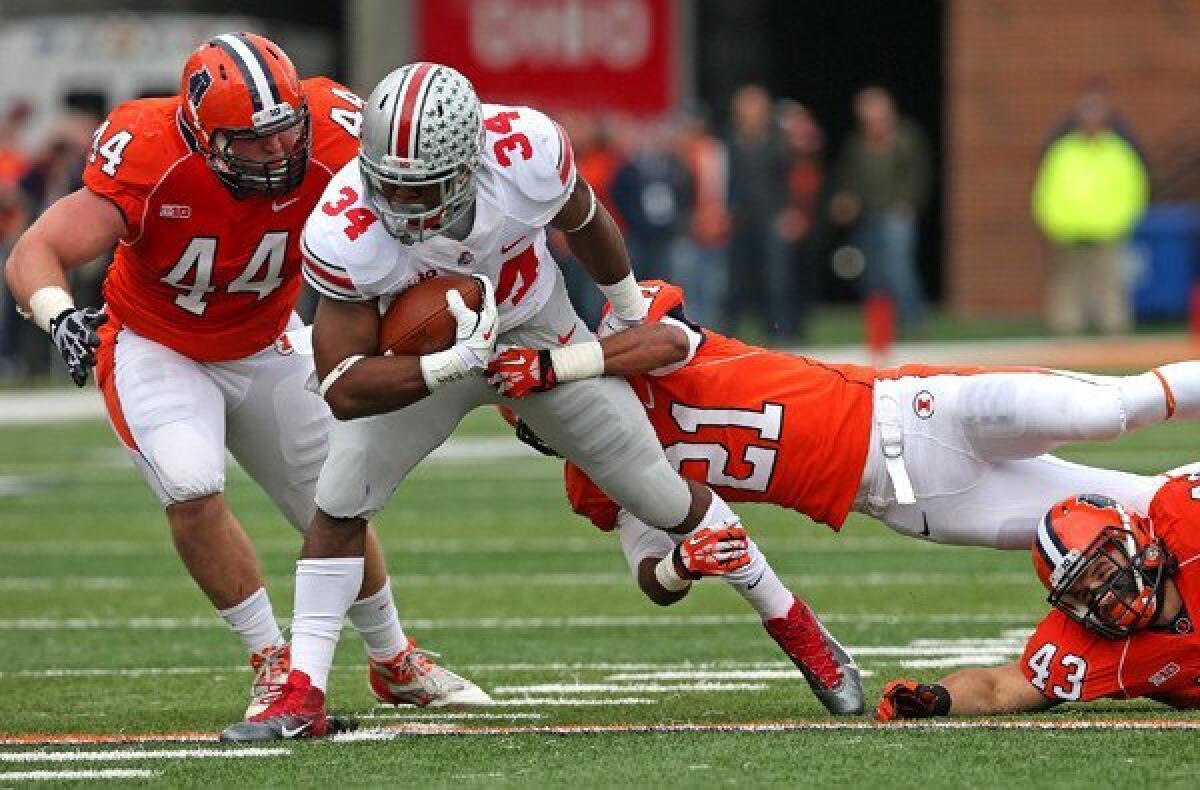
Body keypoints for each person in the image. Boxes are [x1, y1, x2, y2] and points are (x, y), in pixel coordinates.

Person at [219, 61, 858, 741]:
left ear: (470, 165)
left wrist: (625, 309)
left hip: (532, 322)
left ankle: (794, 622)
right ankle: (303, 694)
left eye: (422, 191)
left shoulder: (525, 152)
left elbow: (587, 221)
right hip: (420, 357)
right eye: (390, 188)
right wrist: (443, 364)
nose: (401, 209)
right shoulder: (345, 226)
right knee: (340, 499)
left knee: (659, 492)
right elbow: (344, 386)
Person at [4, 33, 487, 723]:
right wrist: (59, 316)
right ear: (202, 135)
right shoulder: (148, 151)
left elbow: (410, 215)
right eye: (252, 143)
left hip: (267, 339)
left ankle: (394, 658)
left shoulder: (334, 131)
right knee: (192, 485)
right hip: (158, 343)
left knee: (337, 497)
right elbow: (38, 249)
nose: (278, 153)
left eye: (286, 132)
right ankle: (271, 661)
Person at [875, 475, 1200, 720]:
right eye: (1084, 593)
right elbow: (998, 689)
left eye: (1101, 572)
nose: (1103, 595)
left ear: (1137, 541)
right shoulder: (1085, 645)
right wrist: (935, 697)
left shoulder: (1188, 523)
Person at [1032, 81, 1148, 335]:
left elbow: (1133, 189)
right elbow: (1048, 188)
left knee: (1109, 283)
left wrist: (1121, 220)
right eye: (1086, 112)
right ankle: (1067, 333)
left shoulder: (1118, 151)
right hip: (1068, 229)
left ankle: (1113, 332)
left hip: (1108, 228)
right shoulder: (1063, 150)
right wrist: (1052, 220)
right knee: (1068, 285)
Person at [830, 86, 932, 335]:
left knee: (897, 268)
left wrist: (908, 202)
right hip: (867, 215)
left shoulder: (906, 139)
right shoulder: (857, 144)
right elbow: (849, 178)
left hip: (896, 215)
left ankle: (913, 321)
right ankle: (882, 328)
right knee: (871, 274)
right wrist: (846, 200)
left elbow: (920, 174)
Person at [725, 84, 796, 343]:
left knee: (776, 277)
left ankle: (780, 329)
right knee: (737, 278)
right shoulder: (731, 141)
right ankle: (732, 331)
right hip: (740, 219)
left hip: (771, 217)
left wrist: (788, 212)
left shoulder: (778, 141)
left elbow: (788, 180)